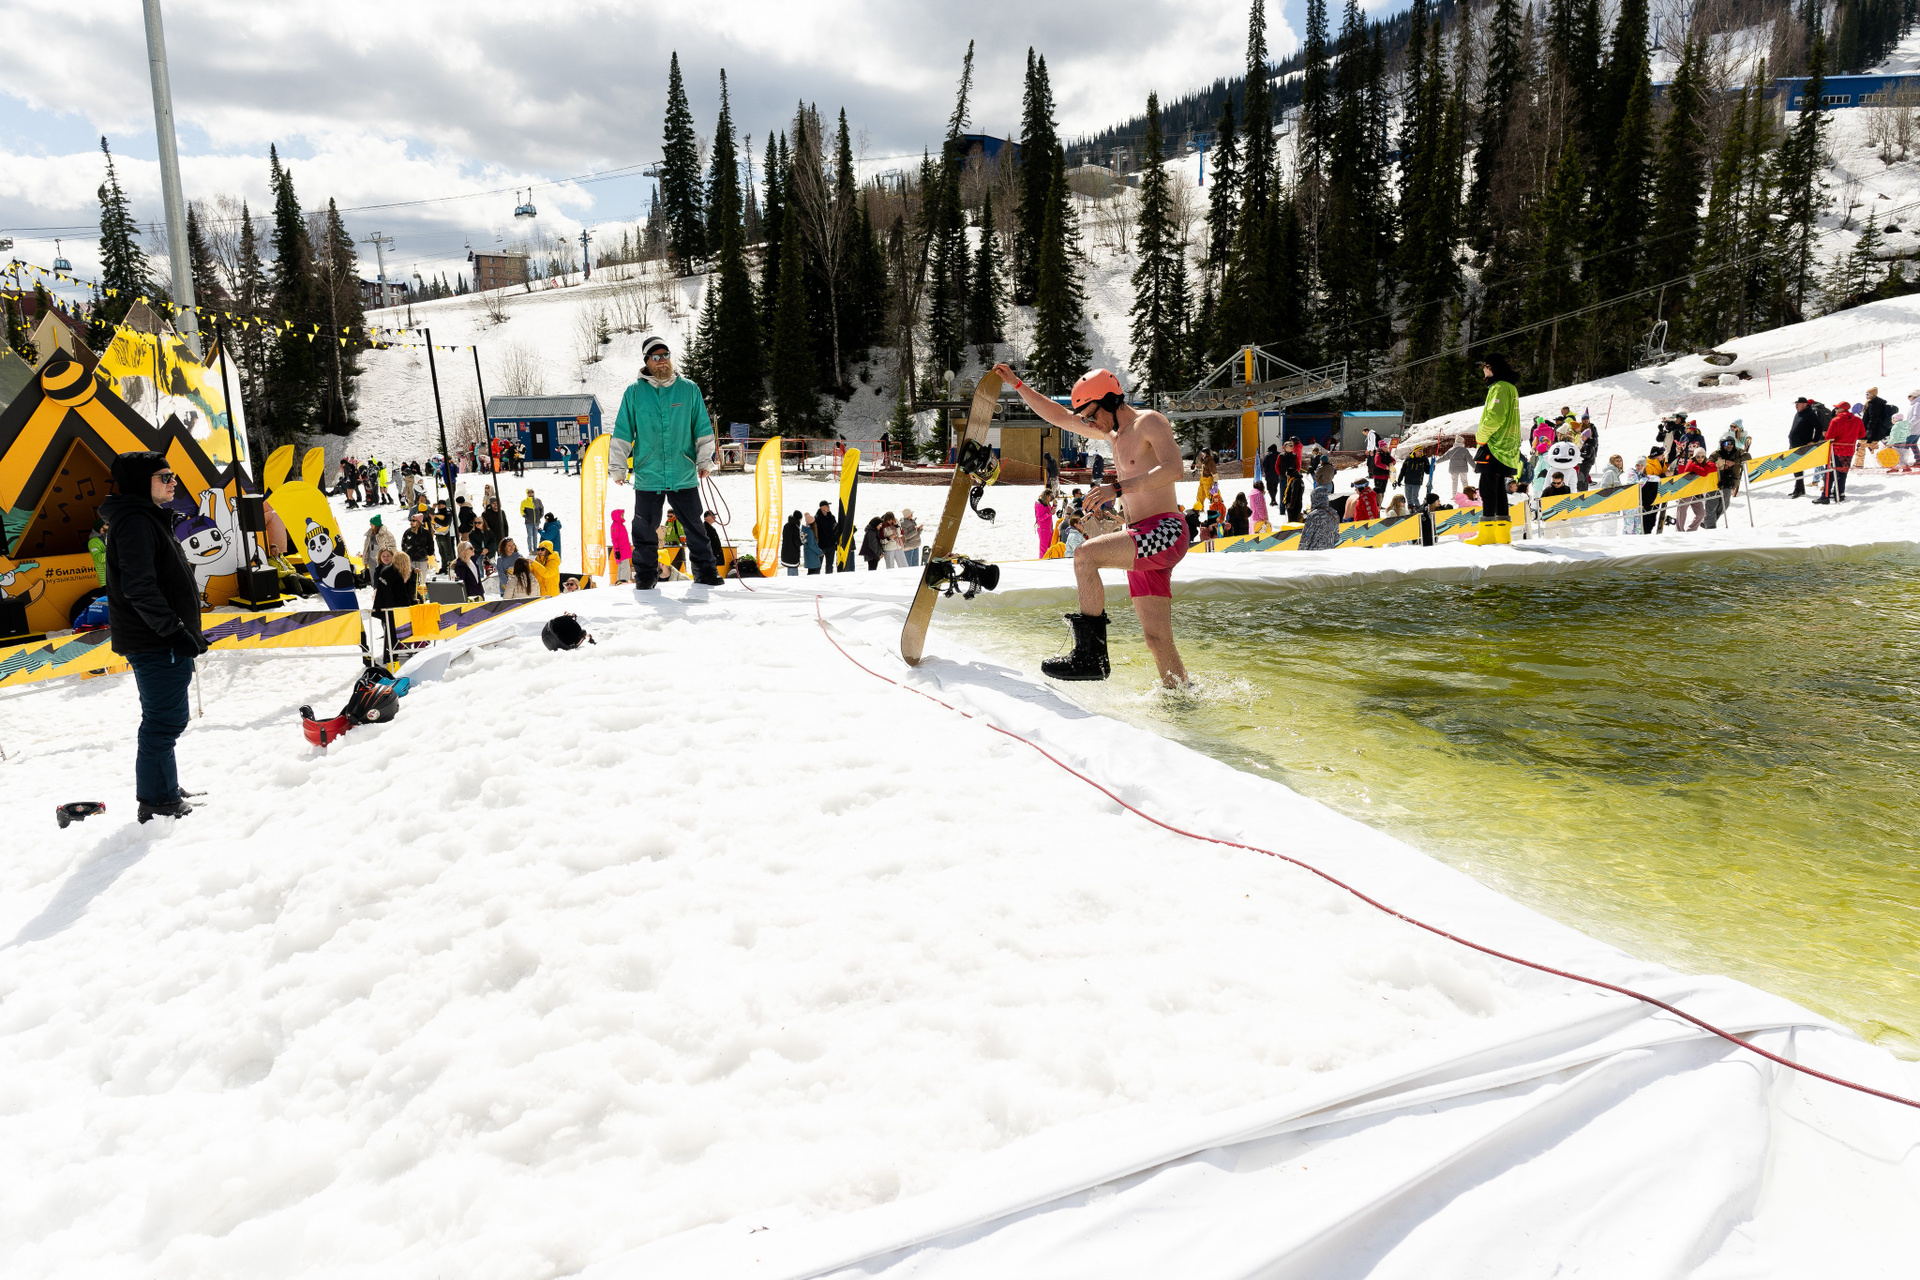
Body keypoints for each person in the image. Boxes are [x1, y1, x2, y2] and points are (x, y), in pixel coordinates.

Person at [995, 363, 1189, 686]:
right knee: (1157, 640)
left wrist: (1117, 488)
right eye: (1085, 419)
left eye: (1090, 415)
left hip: (1166, 530)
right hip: (1140, 536)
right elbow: (1059, 416)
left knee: (1085, 555)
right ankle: (1181, 695)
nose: (1089, 423)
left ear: (1109, 400)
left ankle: (1090, 656)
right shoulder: (1112, 434)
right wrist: (1017, 384)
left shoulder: (1149, 422)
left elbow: (1174, 469)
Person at [100, 452, 209, 822]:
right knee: (164, 722)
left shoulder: (146, 518)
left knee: (166, 719)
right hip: (156, 642)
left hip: (162, 639)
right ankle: (158, 801)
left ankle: (165, 786)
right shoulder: (135, 522)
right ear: (140, 482)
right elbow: (139, 588)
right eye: (165, 476)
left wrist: (187, 631)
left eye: (172, 475)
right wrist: (175, 632)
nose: (173, 481)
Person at [609, 333, 721, 587]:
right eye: (656, 357)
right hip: (648, 474)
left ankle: (705, 572)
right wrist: (617, 467)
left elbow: (702, 429)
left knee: (695, 527)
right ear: (647, 361)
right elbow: (622, 432)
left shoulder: (689, 389)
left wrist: (705, 461)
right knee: (644, 529)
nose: (662, 361)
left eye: (665, 355)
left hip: (683, 471)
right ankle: (646, 577)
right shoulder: (634, 392)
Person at [1469, 354, 1522, 544]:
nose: (1483, 371)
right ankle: (1502, 533)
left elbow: (1495, 417)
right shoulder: (1511, 387)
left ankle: (1487, 533)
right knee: (1499, 489)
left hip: (1494, 444)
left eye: (1484, 367)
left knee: (1487, 488)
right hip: (1507, 446)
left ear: (1491, 368)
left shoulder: (1499, 388)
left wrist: (1481, 437)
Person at [1817, 396, 1866, 502]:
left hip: (1836, 450)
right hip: (1849, 450)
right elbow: (1862, 434)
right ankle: (1840, 493)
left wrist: (1826, 434)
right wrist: (1851, 437)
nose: (1835, 410)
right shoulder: (1857, 420)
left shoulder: (1836, 420)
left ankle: (1825, 496)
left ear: (1842, 409)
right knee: (1843, 472)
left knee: (1830, 472)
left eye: (1837, 408)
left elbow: (1829, 437)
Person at [1787, 396, 1824, 498]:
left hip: (1802, 444)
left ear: (1804, 404)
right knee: (1795, 468)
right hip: (1793, 444)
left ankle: (1798, 490)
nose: (1796, 406)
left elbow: (1819, 427)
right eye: (1796, 404)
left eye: (1798, 404)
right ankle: (1800, 489)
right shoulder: (1798, 414)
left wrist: (1814, 441)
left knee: (1798, 467)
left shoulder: (1810, 414)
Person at [401, 512, 434, 597]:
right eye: (411, 520)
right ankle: (411, 596)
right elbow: (403, 544)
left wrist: (425, 552)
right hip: (410, 560)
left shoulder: (425, 532)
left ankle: (422, 597)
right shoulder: (407, 532)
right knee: (410, 580)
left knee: (422, 581)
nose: (411, 522)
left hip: (421, 559)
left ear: (419, 522)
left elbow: (431, 545)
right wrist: (406, 554)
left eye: (413, 520)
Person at [1299, 486, 1339, 551]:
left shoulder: (1314, 515)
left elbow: (1306, 538)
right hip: (1329, 552)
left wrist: (1300, 553)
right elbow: (1336, 537)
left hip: (1314, 553)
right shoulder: (1334, 513)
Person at [361, 513, 396, 579]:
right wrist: (365, 559)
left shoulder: (387, 534)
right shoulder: (370, 533)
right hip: (371, 560)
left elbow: (392, 547)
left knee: (383, 578)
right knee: (373, 578)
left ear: (376, 525)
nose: (370, 525)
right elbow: (366, 548)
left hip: (382, 560)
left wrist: (388, 559)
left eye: (372, 524)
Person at [813, 501, 838, 574]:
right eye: (826, 506)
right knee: (818, 565)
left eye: (828, 506)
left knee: (830, 565)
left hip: (831, 545)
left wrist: (835, 541)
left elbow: (835, 530)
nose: (828, 507)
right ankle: (817, 577)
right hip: (821, 546)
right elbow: (814, 533)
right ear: (822, 507)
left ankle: (829, 577)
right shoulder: (816, 519)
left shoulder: (832, 517)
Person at [610, 509, 633, 583]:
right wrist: (617, 551)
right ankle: (624, 582)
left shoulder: (620, 525)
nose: (623, 516)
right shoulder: (615, 525)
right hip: (621, 550)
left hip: (624, 549)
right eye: (621, 515)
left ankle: (620, 581)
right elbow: (614, 539)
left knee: (622, 566)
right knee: (625, 567)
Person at [781, 511, 803, 575]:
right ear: (799, 519)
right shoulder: (796, 528)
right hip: (793, 554)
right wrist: (803, 540)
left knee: (790, 571)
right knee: (793, 574)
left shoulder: (786, 525)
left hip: (785, 552)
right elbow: (797, 542)